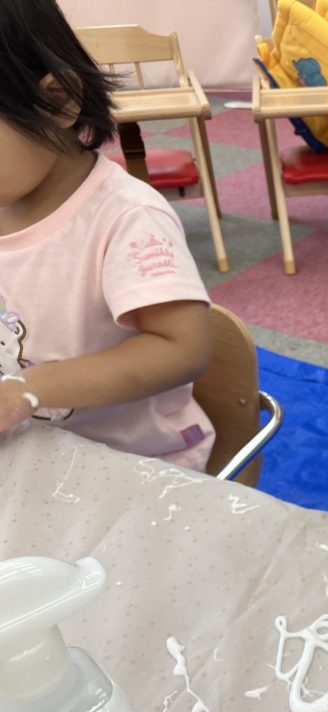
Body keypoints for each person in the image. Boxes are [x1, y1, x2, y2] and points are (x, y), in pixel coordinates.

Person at [0, 0, 214, 470]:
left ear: (58, 101)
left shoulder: (127, 219)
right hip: (37, 453)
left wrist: (30, 390)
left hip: (137, 464)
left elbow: (183, 348)